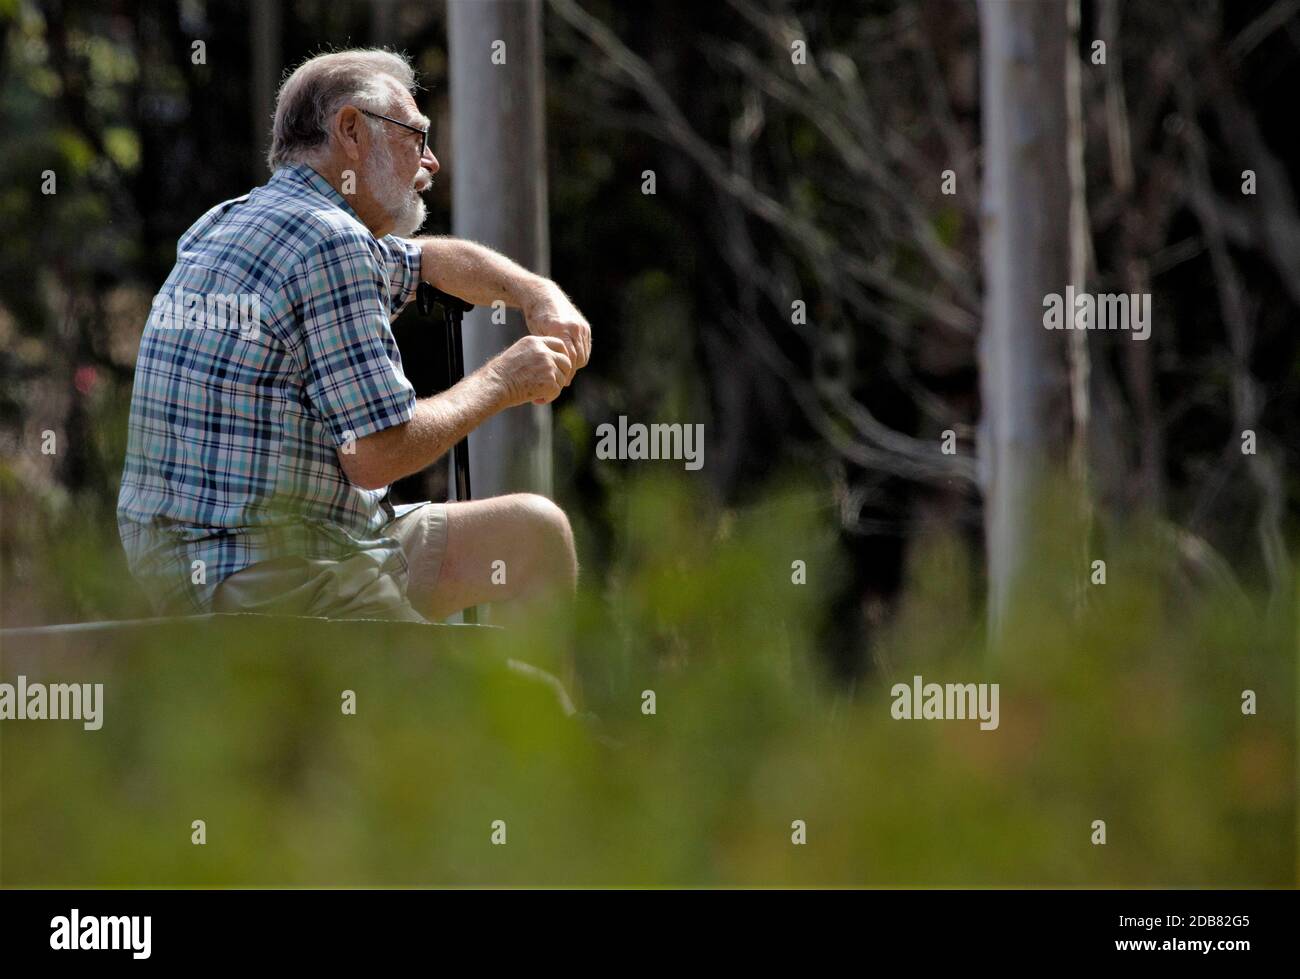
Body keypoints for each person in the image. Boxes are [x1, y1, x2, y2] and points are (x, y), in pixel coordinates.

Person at [117, 49, 590, 623]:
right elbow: (376, 457)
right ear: (351, 132)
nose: (432, 161)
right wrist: (506, 378)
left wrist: (536, 293)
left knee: (532, 536)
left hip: (232, 561)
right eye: (416, 135)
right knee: (474, 701)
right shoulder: (330, 243)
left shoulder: (234, 219)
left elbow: (426, 261)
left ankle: (541, 713)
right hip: (270, 577)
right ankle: (542, 713)